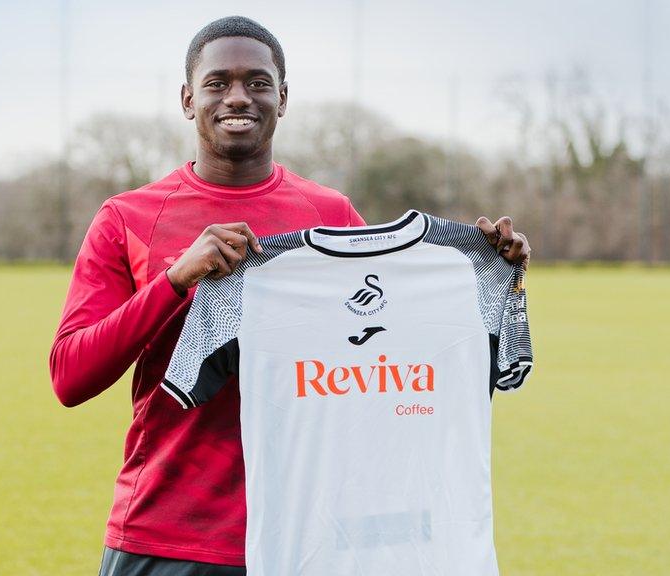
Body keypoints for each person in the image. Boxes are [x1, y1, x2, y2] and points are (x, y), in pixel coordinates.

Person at [49, 16, 531, 576]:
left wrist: (490, 274)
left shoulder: (331, 216)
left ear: (282, 98)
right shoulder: (127, 218)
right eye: (216, 83)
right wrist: (175, 281)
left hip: (310, 535)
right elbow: (70, 377)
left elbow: (386, 353)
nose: (238, 97)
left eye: (257, 82)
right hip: (167, 533)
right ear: (187, 99)